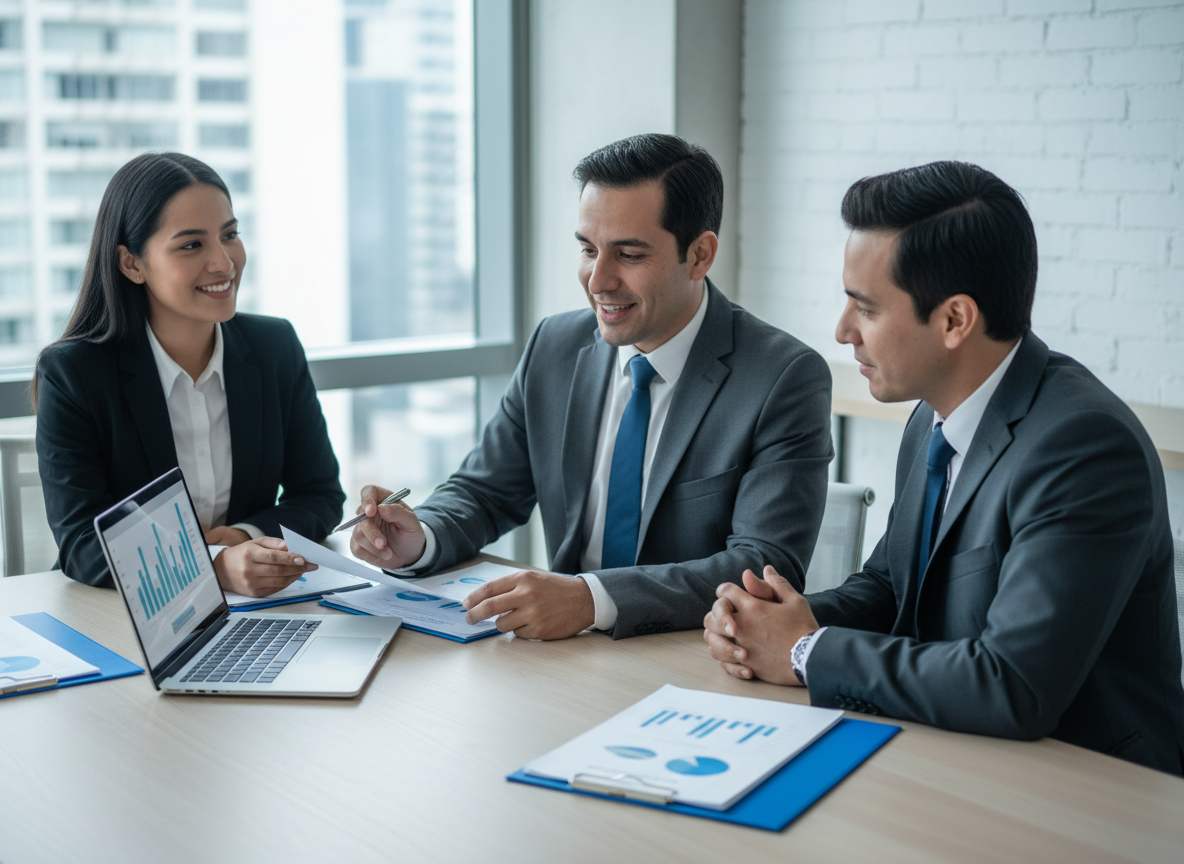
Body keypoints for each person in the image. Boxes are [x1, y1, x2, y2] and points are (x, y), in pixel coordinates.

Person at [703, 161, 1184, 774]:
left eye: (866, 309)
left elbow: (1013, 685)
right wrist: (776, 623)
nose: (842, 330)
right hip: (948, 752)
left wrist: (805, 651)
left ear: (955, 320)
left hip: (1085, 789)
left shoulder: (1085, 448)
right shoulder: (932, 415)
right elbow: (891, 586)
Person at [350, 133, 833, 640]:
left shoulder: (782, 376)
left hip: (690, 655)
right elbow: (486, 490)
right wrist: (420, 539)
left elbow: (763, 564)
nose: (598, 280)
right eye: (587, 249)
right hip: (561, 655)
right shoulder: (555, 345)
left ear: (699, 255)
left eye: (628, 254)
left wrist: (592, 599)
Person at [35, 152, 345, 597]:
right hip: (126, 617)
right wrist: (216, 566)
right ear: (132, 264)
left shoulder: (275, 347)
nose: (224, 262)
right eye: (191, 245)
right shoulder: (75, 373)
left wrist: (242, 536)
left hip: (260, 611)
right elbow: (84, 545)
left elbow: (320, 494)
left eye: (230, 234)